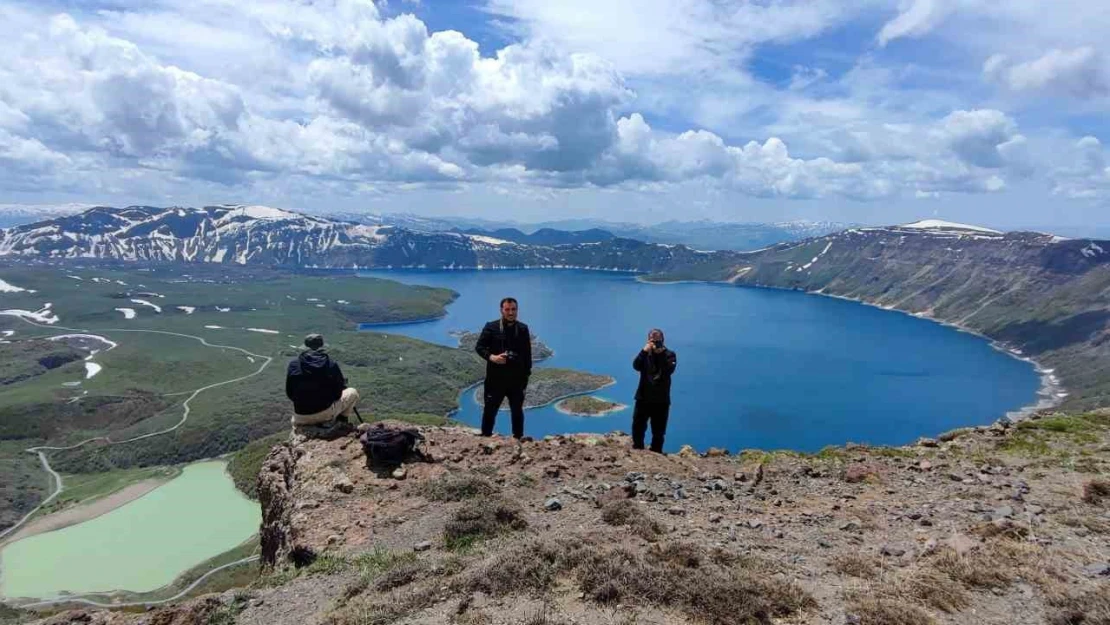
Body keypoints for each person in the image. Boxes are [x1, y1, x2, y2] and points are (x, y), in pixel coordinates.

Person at [475, 297, 532, 439]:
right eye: (507, 309)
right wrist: (492, 357)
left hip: (516, 380)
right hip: (495, 380)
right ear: (501, 310)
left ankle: (518, 439)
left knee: (517, 412)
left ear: (517, 310)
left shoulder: (523, 329)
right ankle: (485, 437)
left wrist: (525, 378)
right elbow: (479, 347)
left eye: (513, 309)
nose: (511, 313)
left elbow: (527, 355)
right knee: (489, 411)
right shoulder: (491, 327)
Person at [286, 333, 360, 427]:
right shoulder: (331, 364)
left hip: (300, 416)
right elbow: (338, 395)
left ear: (304, 347)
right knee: (353, 392)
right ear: (322, 346)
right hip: (325, 414)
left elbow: (289, 393)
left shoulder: (293, 365)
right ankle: (341, 422)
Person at [632, 328, 677, 453]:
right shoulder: (645, 354)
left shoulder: (670, 354)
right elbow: (636, 366)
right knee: (638, 426)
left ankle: (656, 453)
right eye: (653, 339)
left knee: (658, 431)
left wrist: (660, 354)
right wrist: (644, 351)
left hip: (661, 400)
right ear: (648, 340)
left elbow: (669, 371)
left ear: (663, 340)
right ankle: (637, 449)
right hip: (643, 397)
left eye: (658, 340)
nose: (656, 342)